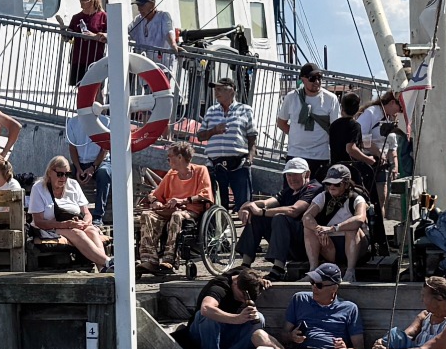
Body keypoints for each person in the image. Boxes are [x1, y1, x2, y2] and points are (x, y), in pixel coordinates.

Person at [259, 263, 363, 349]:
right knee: (259, 335)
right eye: (312, 282)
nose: (314, 287)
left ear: (334, 288)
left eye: (319, 285)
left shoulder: (349, 308)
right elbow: (284, 336)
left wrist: (346, 348)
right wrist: (292, 336)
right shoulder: (300, 299)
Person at [137, 141, 213, 273]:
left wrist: (183, 200)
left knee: (177, 216)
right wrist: (155, 201)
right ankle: (150, 259)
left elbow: (205, 195)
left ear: (180, 157)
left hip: (190, 210)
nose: (167, 160)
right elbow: (154, 195)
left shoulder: (201, 171)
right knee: (147, 215)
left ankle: (169, 259)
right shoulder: (171, 174)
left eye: (170, 156)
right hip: (169, 210)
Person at [237, 158, 321, 277]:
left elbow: (294, 210)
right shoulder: (289, 191)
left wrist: (262, 211)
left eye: (295, 175)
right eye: (289, 175)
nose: (291, 179)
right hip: (288, 241)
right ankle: (245, 265)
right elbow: (268, 202)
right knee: (256, 217)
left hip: (307, 243)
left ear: (307, 174)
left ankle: (278, 268)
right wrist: (248, 206)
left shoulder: (314, 188)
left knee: (280, 217)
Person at [28, 155, 109, 270]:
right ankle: (107, 262)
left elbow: (86, 213)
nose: (64, 178)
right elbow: (39, 221)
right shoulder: (39, 188)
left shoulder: (73, 185)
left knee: (91, 231)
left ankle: (104, 268)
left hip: (75, 223)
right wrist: (66, 224)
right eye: (60, 174)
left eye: (67, 174)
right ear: (50, 172)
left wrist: (85, 223)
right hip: (50, 227)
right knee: (77, 233)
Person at [189, 266, 268, 349]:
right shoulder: (219, 288)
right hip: (201, 334)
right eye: (242, 297)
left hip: (224, 330)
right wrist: (237, 319)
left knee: (258, 319)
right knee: (208, 316)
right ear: (235, 284)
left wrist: (262, 281)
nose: (243, 301)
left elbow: (252, 274)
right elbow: (205, 309)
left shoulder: (243, 275)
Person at [200, 76, 257, 212]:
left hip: (238, 164)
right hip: (216, 164)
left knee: (245, 205)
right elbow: (200, 136)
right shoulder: (211, 111)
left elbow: (252, 137)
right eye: (215, 89)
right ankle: (219, 231)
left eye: (220, 89)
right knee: (217, 205)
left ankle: (247, 232)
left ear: (232, 91)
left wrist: (250, 158)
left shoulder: (245, 110)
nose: (216, 92)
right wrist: (214, 130)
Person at [303, 164, 369, 274]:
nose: (331, 187)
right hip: (330, 246)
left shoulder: (356, 198)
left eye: (336, 184)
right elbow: (306, 217)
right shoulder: (323, 196)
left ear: (346, 184)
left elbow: (360, 218)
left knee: (351, 229)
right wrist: (318, 229)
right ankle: (313, 269)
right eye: (328, 183)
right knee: (308, 228)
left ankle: (350, 271)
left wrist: (334, 228)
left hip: (355, 244)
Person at [277, 63, 338, 180]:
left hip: (320, 156)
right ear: (303, 79)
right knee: (292, 193)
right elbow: (281, 123)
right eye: (312, 78)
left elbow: (335, 128)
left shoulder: (331, 99)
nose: (317, 81)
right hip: (295, 154)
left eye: (319, 77)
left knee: (318, 195)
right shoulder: (291, 97)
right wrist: (296, 135)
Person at [63, 110, 112, 224]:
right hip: (80, 162)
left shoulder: (105, 121)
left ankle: (98, 216)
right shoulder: (73, 122)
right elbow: (72, 147)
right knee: (63, 173)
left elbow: (105, 149)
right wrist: (78, 168)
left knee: (103, 173)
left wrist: (93, 167)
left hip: (100, 162)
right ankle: (68, 212)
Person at [66, 0, 107, 85]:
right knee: (80, 88)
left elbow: (109, 36)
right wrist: (64, 31)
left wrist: (93, 36)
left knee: (96, 90)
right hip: (78, 59)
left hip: (95, 59)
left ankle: (97, 102)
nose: (81, 0)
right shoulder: (76, 17)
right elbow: (68, 37)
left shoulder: (103, 16)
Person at [128, 0, 178, 70]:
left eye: (142, 5)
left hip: (162, 68)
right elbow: (126, 33)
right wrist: (109, 37)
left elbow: (168, 32)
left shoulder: (163, 16)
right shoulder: (138, 19)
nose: (139, 9)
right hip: (144, 69)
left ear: (152, 4)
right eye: (138, 5)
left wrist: (173, 44)